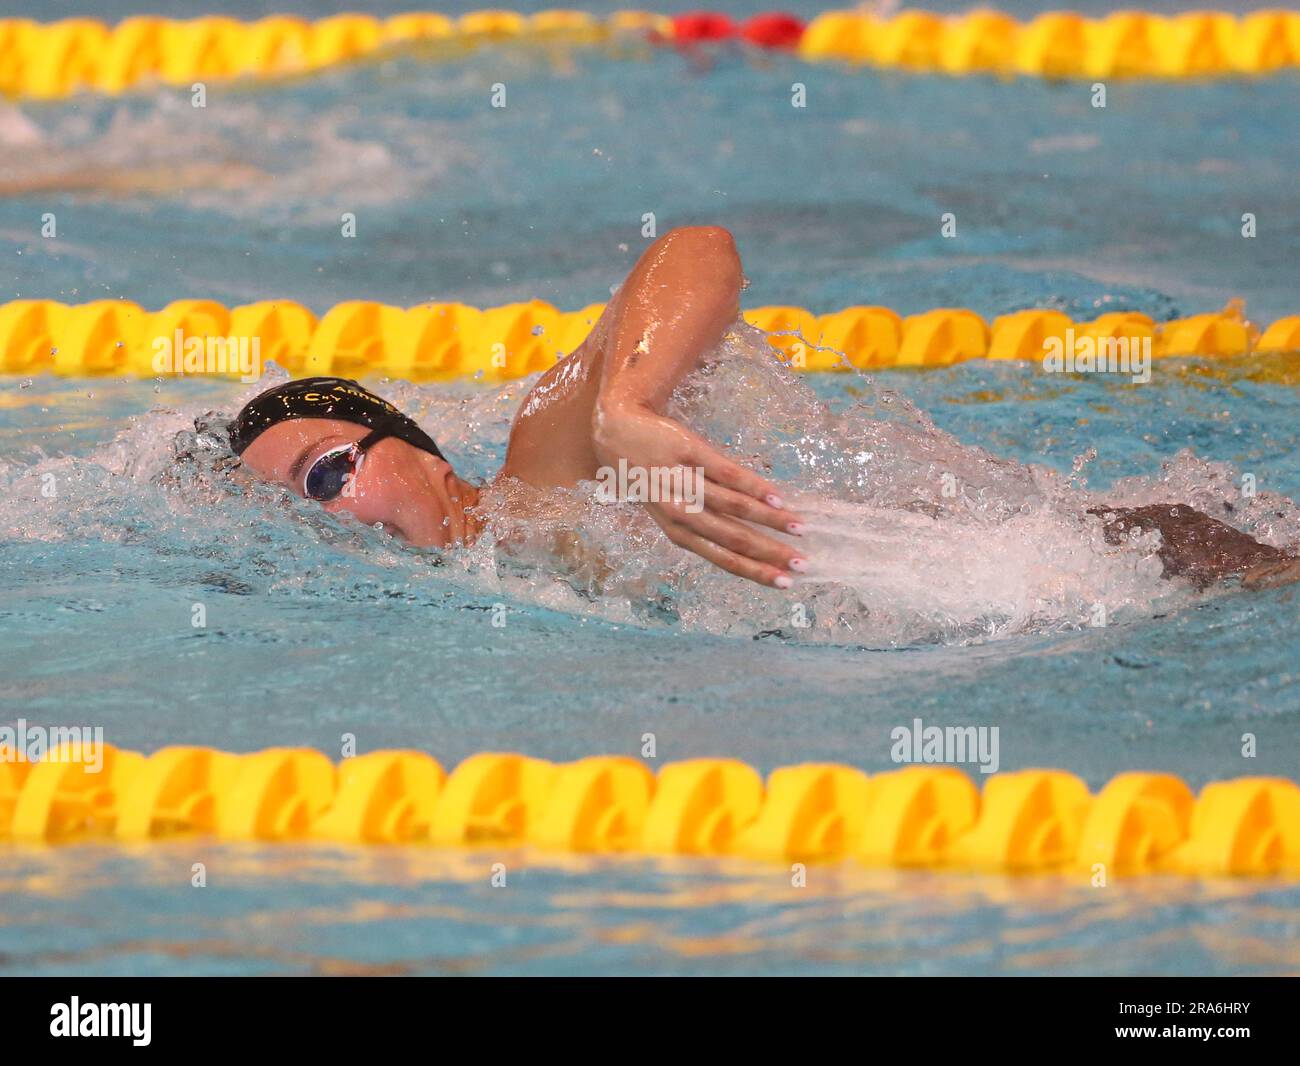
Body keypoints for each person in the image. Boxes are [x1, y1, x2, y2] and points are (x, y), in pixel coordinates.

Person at [228, 226, 1300, 592]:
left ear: (415, 448)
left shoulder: (531, 478)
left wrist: (626, 405)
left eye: (327, 473)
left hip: (1126, 567)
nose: (326, 520)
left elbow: (696, 248)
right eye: (293, 512)